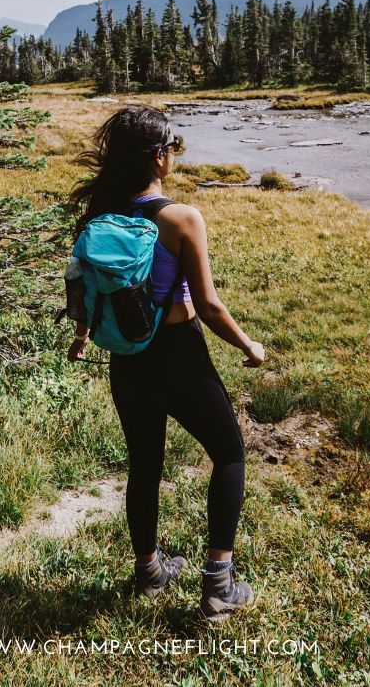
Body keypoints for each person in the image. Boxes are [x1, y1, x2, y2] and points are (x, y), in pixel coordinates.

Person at [67, 106, 266, 625]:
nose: (175, 154)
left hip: (127, 361)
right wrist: (249, 346)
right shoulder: (180, 217)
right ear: (159, 157)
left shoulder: (101, 214)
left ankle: (149, 570)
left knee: (145, 465)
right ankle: (219, 586)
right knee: (228, 453)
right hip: (179, 353)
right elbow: (208, 305)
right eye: (173, 146)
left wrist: (83, 335)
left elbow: (83, 288)